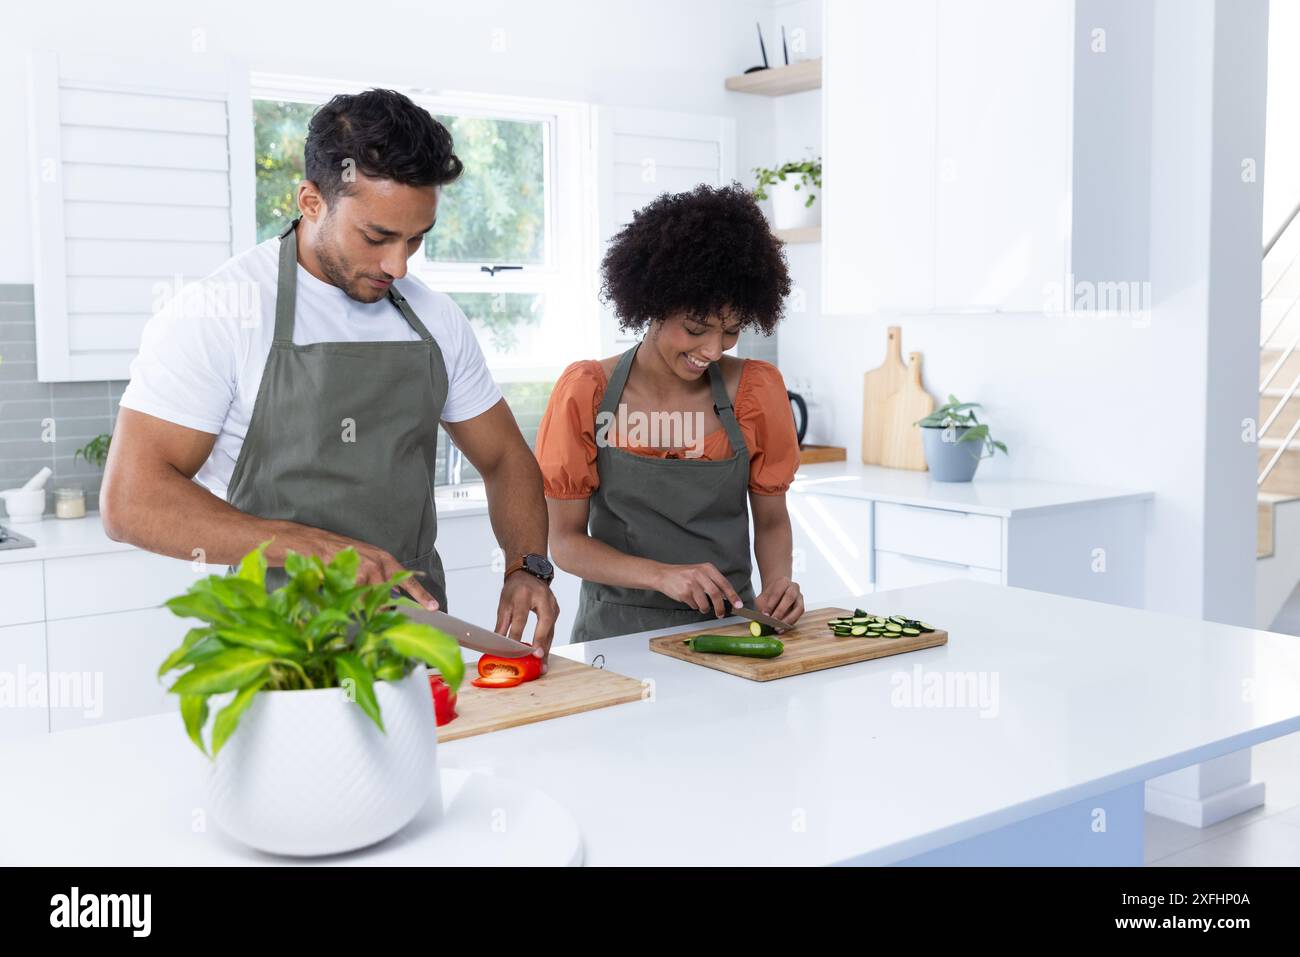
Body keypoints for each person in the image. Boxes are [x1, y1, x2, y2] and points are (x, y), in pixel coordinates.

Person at [102, 89, 558, 658]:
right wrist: (311, 548)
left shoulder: (435, 318)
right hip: (273, 648)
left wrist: (527, 566)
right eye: (377, 237)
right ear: (311, 201)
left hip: (412, 640)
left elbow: (505, 458)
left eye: (416, 238)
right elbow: (131, 500)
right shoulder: (222, 312)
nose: (398, 264)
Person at [536, 183, 804, 642]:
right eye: (697, 329)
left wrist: (778, 583)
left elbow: (773, 519)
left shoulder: (757, 391)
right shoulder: (587, 392)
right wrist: (662, 576)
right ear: (653, 303)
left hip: (731, 630)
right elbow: (565, 543)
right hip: (614, 635)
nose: (713, 350)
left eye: (731, 331)